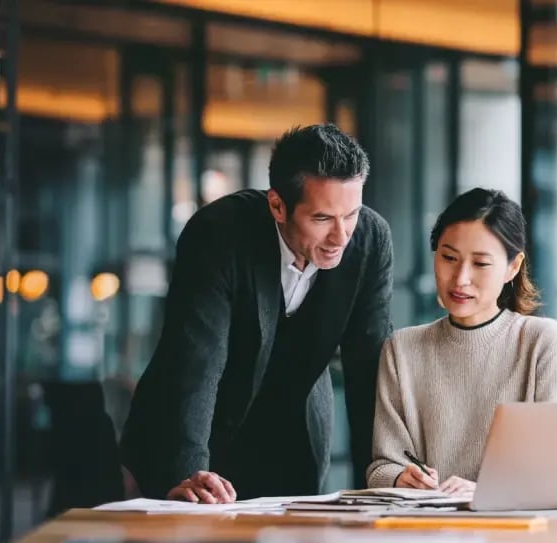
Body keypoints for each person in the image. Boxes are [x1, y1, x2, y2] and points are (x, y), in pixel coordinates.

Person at [120, 124, 394, 503]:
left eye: (351, 214)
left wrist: (383, 480)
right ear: (277, 205)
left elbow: (369, 367)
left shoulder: (370, 240)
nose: (342, 236)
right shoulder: (220, 234)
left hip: (292, 432)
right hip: (196, 429)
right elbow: (196, 361)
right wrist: (185, 472)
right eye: (321, 219)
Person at [366, 188, 557, 495]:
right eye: (449, 258)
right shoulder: (402, 349)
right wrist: (402, 477)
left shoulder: (544, 343)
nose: (460, 278)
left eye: (480, 264)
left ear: (513, 267)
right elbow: (383, 465)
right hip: (428, 531)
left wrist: (486, 491)